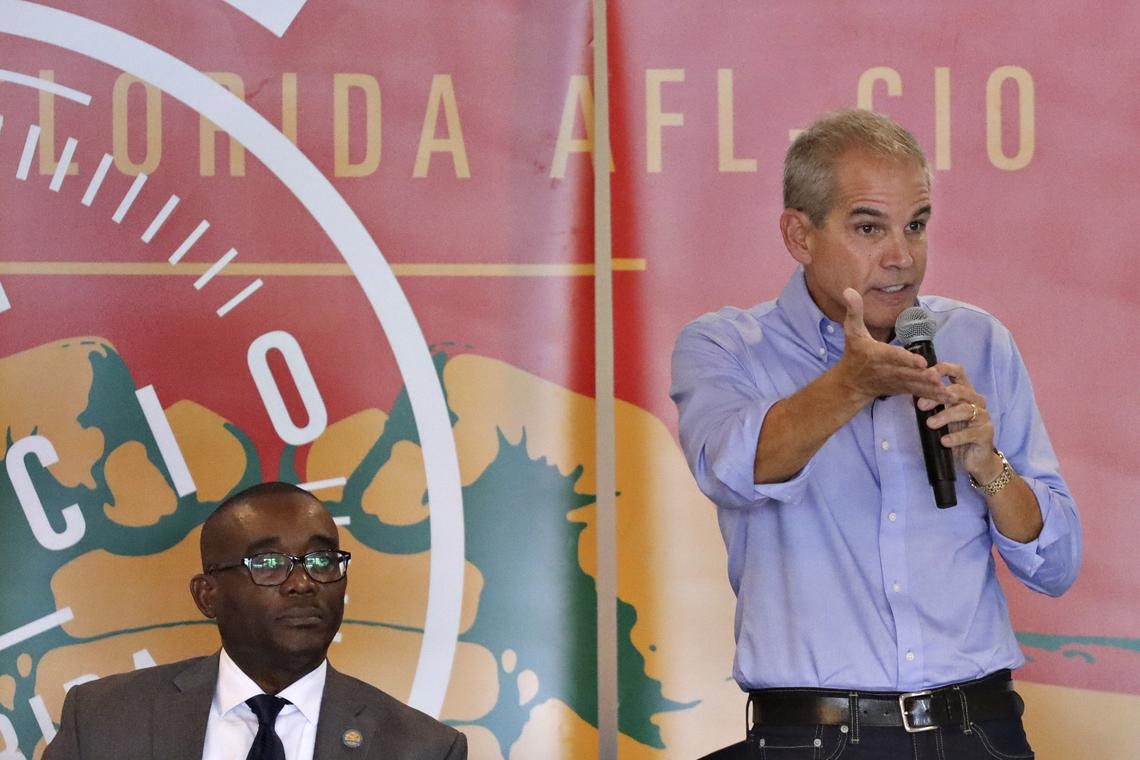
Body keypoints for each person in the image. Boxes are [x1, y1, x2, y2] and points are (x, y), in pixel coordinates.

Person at [671, 109, 1080, 759]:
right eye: (869, 227)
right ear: (799, 235)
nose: (903, 256)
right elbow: (730, 471)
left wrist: (988, 465)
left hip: (980, 728)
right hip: (813, 738)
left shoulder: (978, 341)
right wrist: (853, 383)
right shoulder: (727, 347)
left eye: (916, 225)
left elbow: (1056, 564)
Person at [44, 481, 467, 760]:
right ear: (207, 596)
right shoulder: (103, 721)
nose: (302, 582)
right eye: (267, 563)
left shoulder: (422, 749)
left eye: (321, 560)